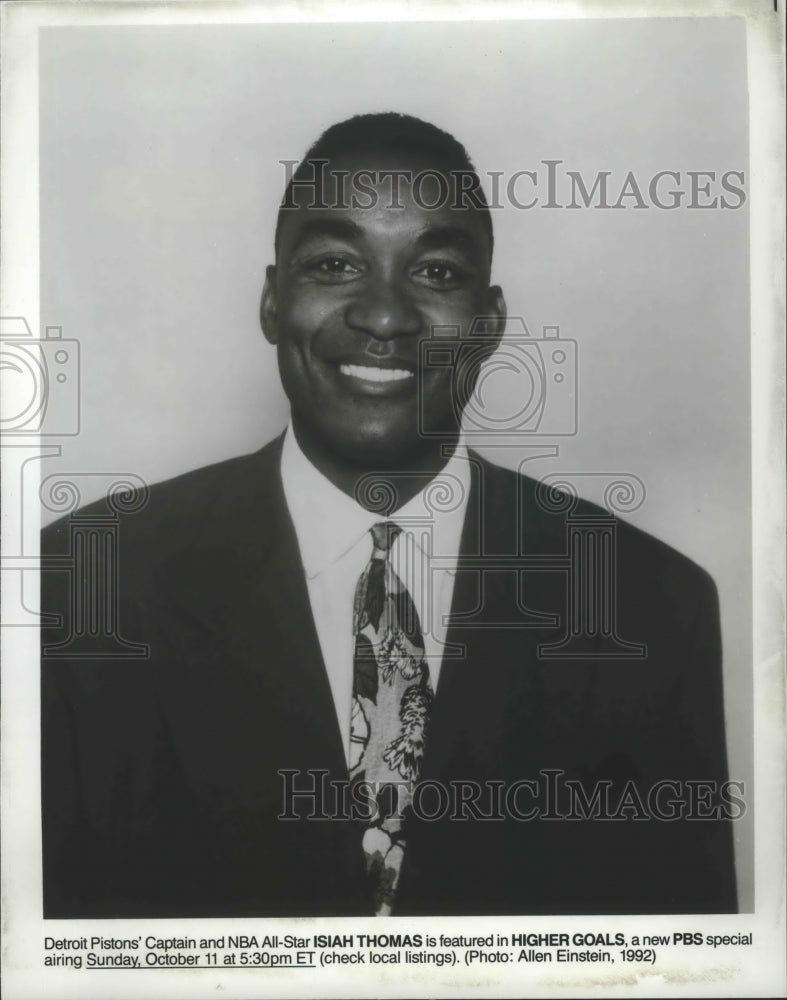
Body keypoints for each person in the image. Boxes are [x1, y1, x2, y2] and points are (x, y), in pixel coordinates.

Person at [41, 113, 737, 917]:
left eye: (435, 273)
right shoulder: (86, 586)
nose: (383, 315)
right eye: (334, 264)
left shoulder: (649, 605)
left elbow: (678, 967)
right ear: (272, 303)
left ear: (489, 323)